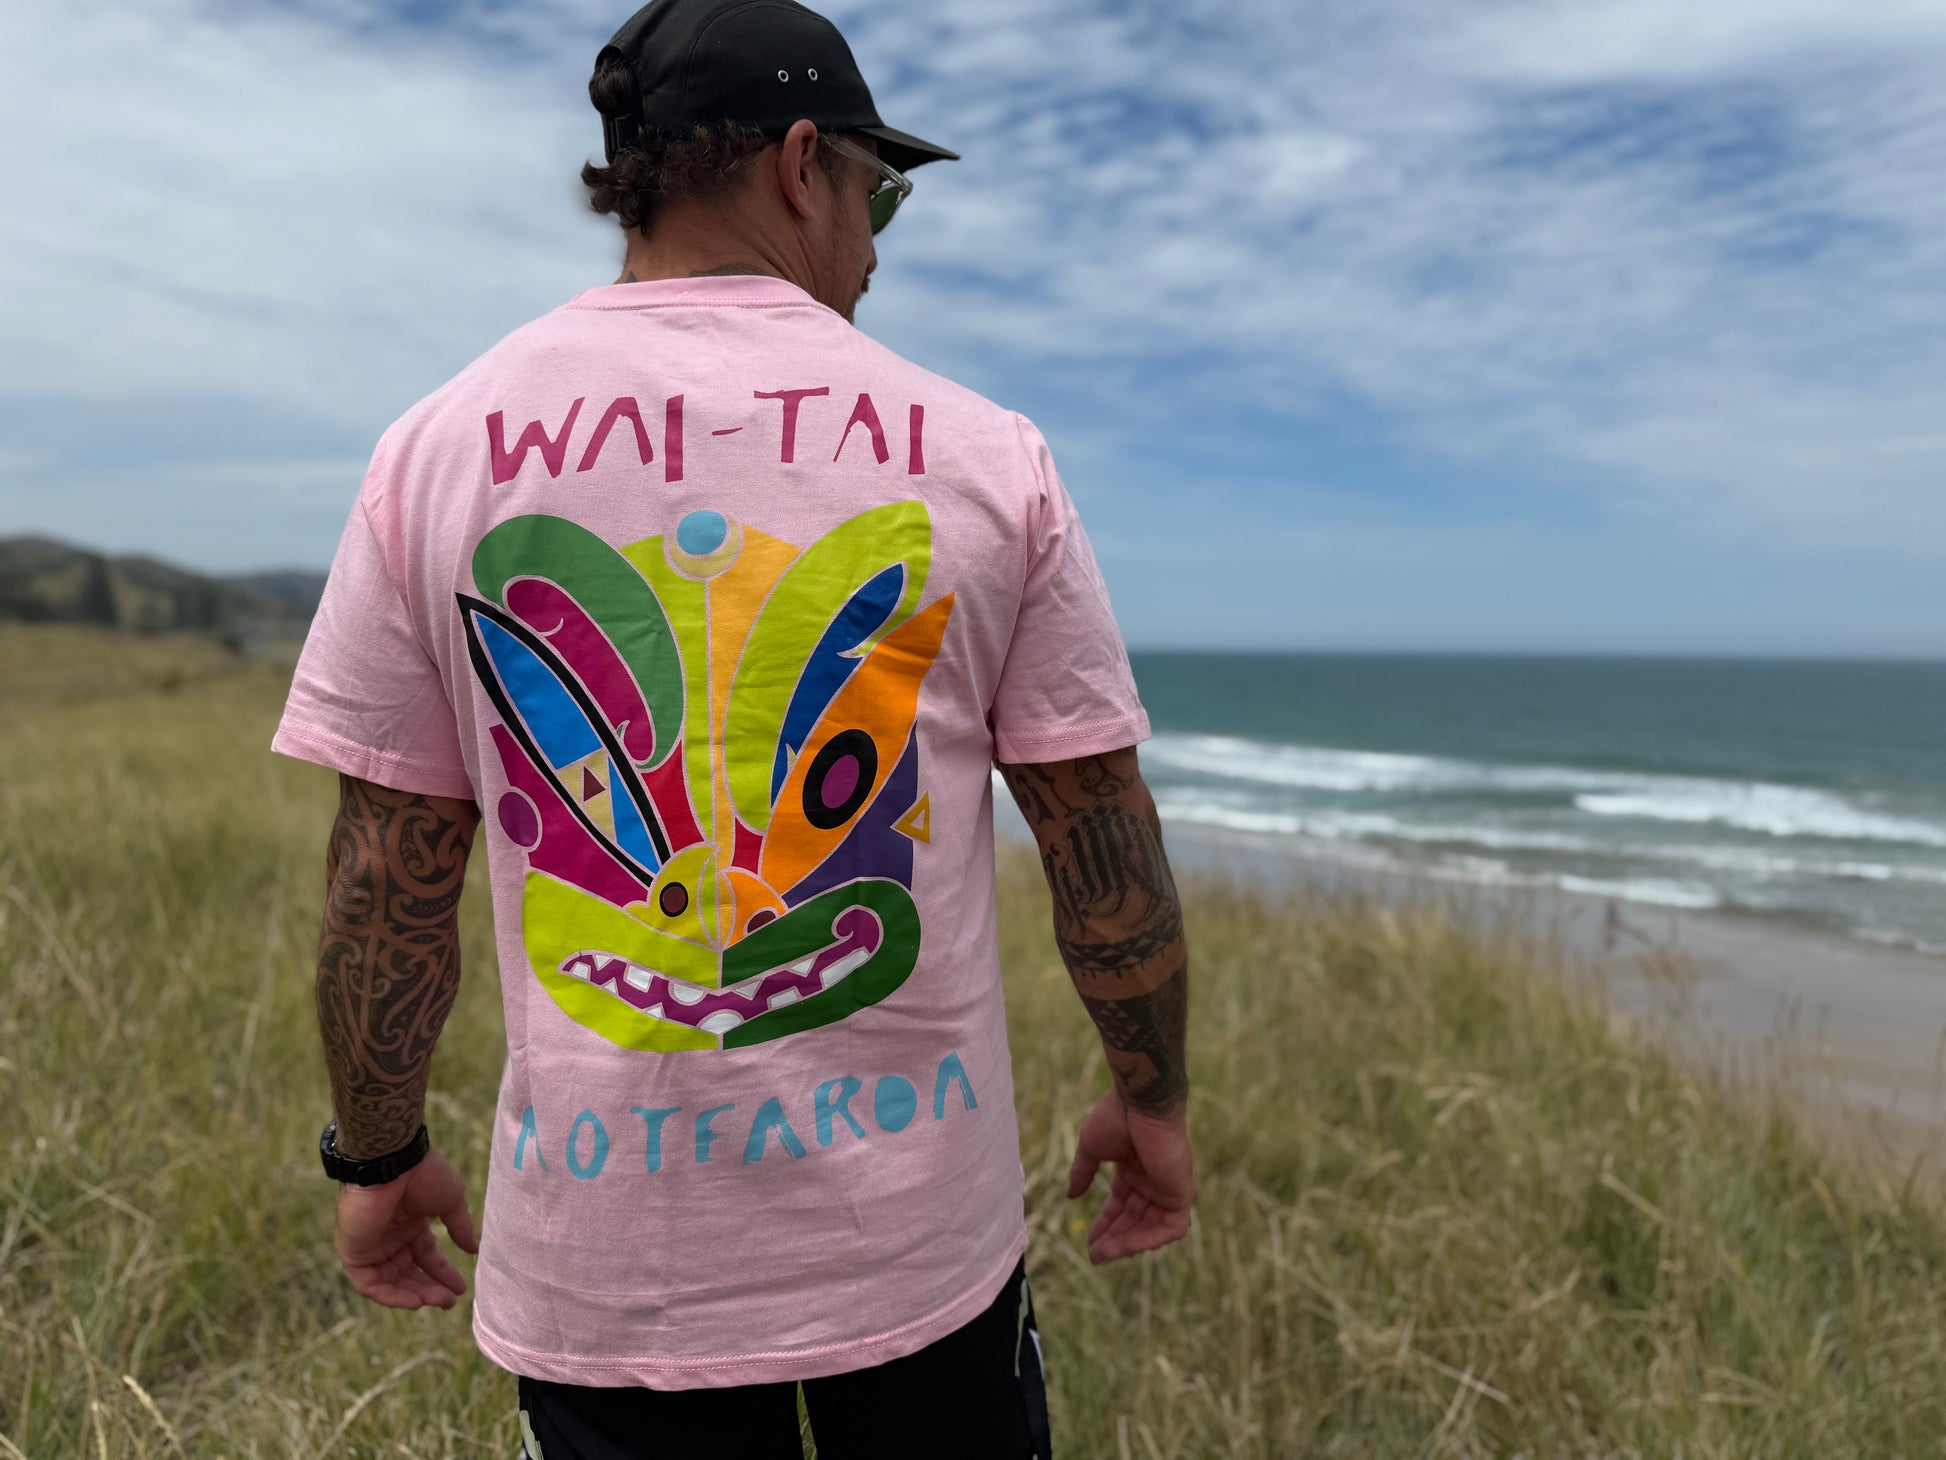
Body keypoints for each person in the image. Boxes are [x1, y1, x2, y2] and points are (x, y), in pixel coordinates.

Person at [274, 2, 1193, 1454]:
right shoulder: (982, 451)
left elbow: (388, 868)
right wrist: (1153, 1104)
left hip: (605, 1281)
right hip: (918, 1260)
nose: (879, 242)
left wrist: (376, 1152)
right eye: (879, 194)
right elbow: (1097, 830)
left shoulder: (437, 449)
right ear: (799, 163)